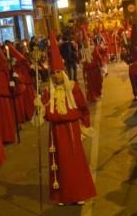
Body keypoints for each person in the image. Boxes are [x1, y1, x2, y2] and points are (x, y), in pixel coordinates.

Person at [35, 32, 96, 205]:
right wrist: (39, 105)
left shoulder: (73, 88)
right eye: (52, 73)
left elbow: (83, 109)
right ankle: (63, 195)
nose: (55, 76)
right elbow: (44, 114)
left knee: (75, 163)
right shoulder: (48, 92)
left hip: (71, 131)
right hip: (56, 134)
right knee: (60, 163)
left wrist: (84, 127)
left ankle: (78, 194)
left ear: (63, 72)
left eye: (58, 72)